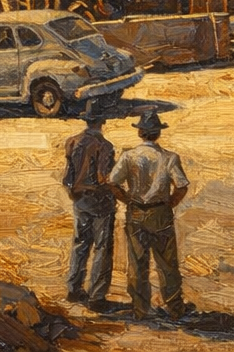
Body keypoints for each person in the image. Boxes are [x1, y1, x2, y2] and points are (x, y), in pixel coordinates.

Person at [109, 110, 190, 321]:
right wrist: (169, 204)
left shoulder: (129, 156)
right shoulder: (170, 158)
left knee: (137, 263)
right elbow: (181, 187)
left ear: (140, 133)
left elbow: (112, 182)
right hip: (160, 213)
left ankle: (140, 310)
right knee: (167, 264)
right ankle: (174, 309)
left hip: (136, 212)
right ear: (158, 134)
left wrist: (127, 199)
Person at [64, 100, 117, 309]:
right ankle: (96, 296)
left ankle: (73, 289)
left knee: (80, 244)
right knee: (102, 248)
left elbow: (67, 176)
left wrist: (73, 193)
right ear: (102, 122)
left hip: (79, 199)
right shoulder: (105, 146)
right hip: (100, 201)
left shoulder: (72, 141)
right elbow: (103, 177)